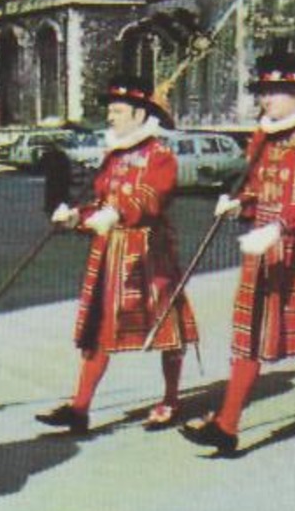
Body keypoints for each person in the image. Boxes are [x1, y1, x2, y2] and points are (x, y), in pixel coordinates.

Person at [181, 51, 295, 455]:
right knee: (250, 337)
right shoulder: (263, 136)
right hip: (263, 251)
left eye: (276, 91)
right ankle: (227, 424)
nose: (267, 100)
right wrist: (240, 204)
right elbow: (258, 186)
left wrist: (279, 225)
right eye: (263, 92)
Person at [37, 72, 196, 433]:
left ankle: (171, 399)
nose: (111, 116)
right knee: (98, 329)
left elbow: (154, 196)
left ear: (140, 115)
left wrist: (119, 212)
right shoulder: (114, 154)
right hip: (110, 252)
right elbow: (101, 198)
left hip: (149, 252)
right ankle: (79, 408)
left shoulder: (159, 154)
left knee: (167, 329)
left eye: (119, 111)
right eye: (111, 110)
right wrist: (78, 215)